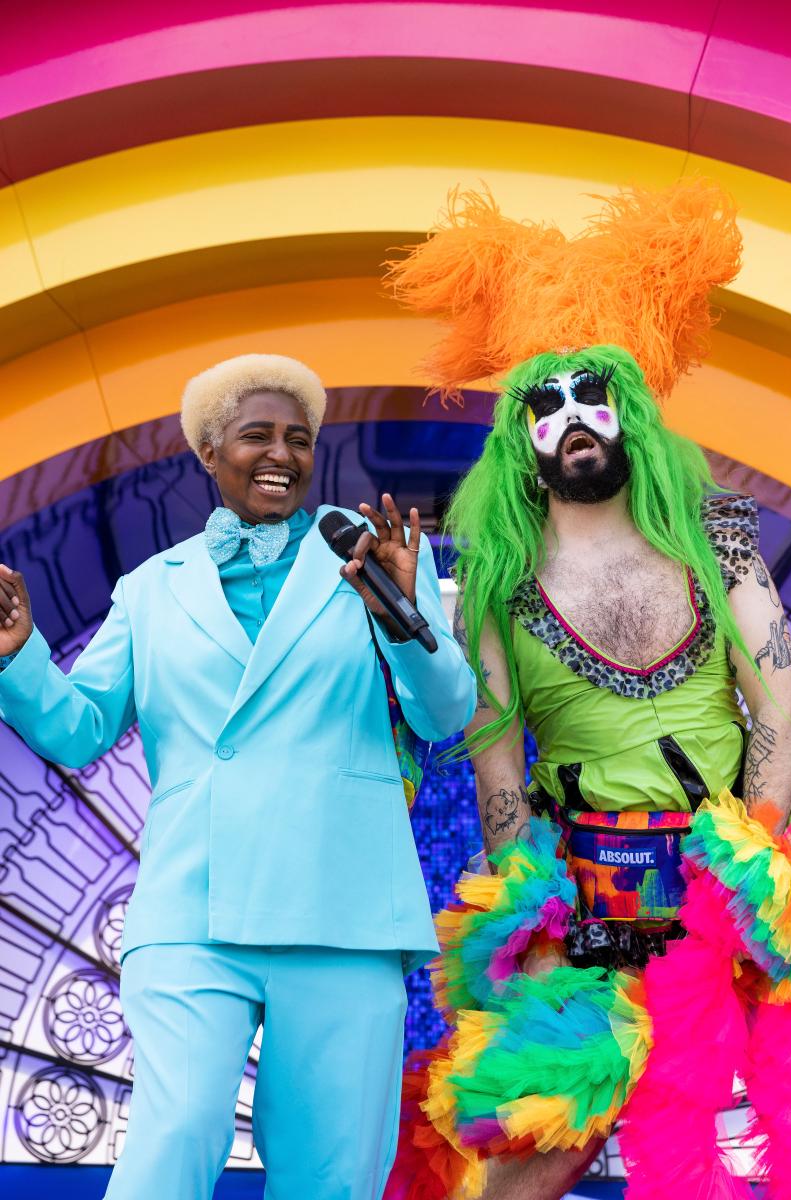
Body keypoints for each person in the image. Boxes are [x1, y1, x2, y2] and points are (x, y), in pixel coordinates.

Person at [383, 181, 791, 1200]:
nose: (571, 415)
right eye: (545, 403)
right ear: (520, 439)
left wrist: (746, 860)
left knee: (777, 1109)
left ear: (630, 418)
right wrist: (529, 911)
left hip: (731, 870)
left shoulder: (716, 542)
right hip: (588, 884)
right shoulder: (497, 585)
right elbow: (495, 770)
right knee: (543, 1139)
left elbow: (783, 703)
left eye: (591, 393)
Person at [0, 352, 477, 1200]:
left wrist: (404, 616)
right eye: (258, 435)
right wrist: (18, 656)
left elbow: (446, 714)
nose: (281, 454)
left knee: (332, 1172)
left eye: (299, 439)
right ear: (209, 452)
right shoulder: (151, 589)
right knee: (175, 1135)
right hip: (194, 908)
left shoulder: (368, 562)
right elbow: (79, 730)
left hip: (342, 910)